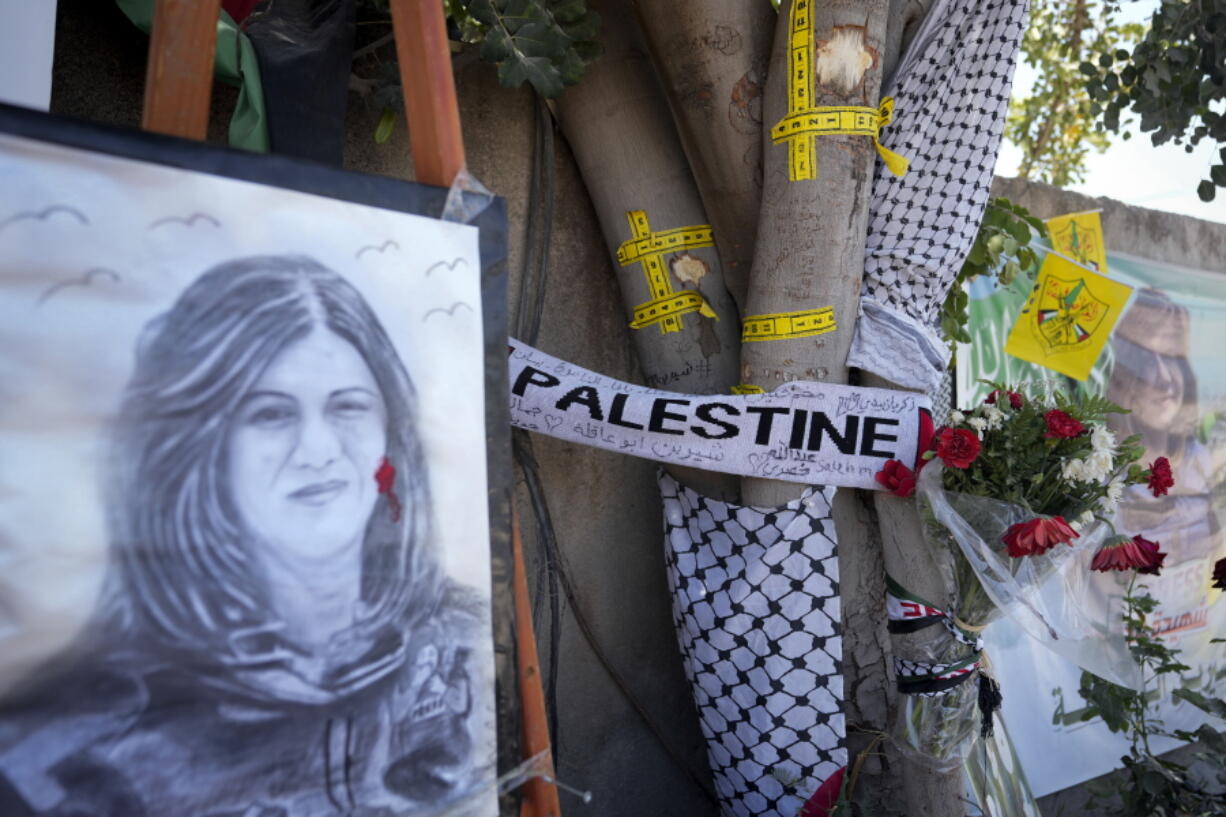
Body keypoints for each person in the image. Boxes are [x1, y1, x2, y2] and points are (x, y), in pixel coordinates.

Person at [0, 256, 488, 816]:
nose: (319, 451)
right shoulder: (88, 745)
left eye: (348, 407)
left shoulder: (465, 642)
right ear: (203, 450)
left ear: (390, 432)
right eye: (271, 415)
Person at [1106, 288, 1222, 565]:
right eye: (1145, 361)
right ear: (1122, 377)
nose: (1165, 379)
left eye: (1172, 358)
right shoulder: (1102, 471)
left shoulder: (1201, 461)